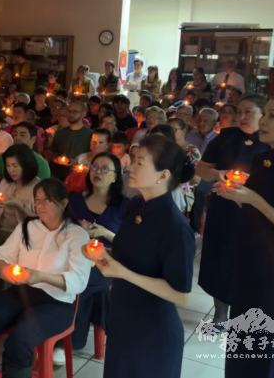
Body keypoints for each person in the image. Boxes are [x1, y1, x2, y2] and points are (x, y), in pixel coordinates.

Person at [84, 134, 196, 378]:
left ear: (162, 175)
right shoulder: (137, 206)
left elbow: (182, 295)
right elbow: (134, 256)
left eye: (140, 163)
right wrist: (103, 254)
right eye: (132, 160)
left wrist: (122, 272)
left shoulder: (174, 226)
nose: (130, 167)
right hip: (124, 318)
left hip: (152, 330)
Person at [0, 179, 90, 378]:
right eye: (37, 200)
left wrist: (41, 277)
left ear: (64, 203)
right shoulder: (27, 227)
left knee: (19, 342)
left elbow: (79, 281)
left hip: (56, 303)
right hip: (21, 293)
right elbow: (1, 255)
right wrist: (4, 269)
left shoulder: (77, 235)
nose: (40, 205)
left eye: (47, 200)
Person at [219, 93, 274, 377]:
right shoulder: (261, 158)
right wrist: (237, 195)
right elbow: (257, 204)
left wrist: (254, 199)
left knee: (268, 343)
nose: (263, 121)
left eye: (272, 116)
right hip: (249, 254)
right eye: (264, 114)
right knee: (242, 335)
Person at [193, 94, 267, 326]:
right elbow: (202, 168)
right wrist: (218, 175)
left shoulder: (271, 141)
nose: (242, 117)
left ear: (263, 115)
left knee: (248, 264)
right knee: (221, 261)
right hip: (224, 209)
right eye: (239, 112)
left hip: (256, 213)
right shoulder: (226, 137)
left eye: (249, 112)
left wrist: (251, 181)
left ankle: (244, 313)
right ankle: (220, 314)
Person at [68, 153, 128, 354]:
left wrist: (106, 233)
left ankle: (69, 338)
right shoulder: (74, 200)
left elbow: (130, 245)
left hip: (108, 261)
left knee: (82, 282)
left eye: (104, 169)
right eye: (94, 167)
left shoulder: (125, 206)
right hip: (74, 256)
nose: (98, 172)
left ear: (115, 177)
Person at [0, 143, 41, 299]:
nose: (11, 170)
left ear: (26, 165)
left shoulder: (38, 187)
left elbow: (42, 221)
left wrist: (18, 205)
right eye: (8, 165)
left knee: (8, 274)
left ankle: (3, 302)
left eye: (15, 165)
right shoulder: (5, 183)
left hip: (21, 240)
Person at [0, 122, 50, 190]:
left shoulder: (41, 163)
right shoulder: (4, 157)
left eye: (22, 135)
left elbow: (44, 191)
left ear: (33, 139)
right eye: (15, 134)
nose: (17, 138)